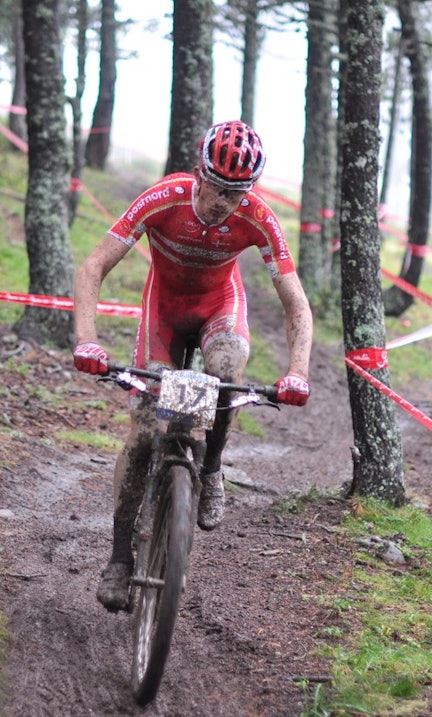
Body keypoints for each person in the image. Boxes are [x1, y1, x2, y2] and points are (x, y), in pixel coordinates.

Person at [72, 119, 313, 612]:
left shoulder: (259, 219)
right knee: (142, 434)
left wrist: (298, 372)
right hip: (164, 309)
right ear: (199, 172)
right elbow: (93, 266)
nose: (223, 201)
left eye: (237, 192)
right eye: (217, 187)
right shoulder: (164, 197)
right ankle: (119, 559)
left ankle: (213, 468)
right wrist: (88, 342)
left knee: (228, 368)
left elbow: (296, 303)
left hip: (218, 306)